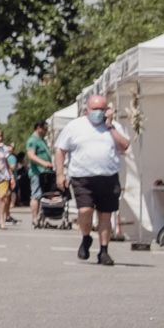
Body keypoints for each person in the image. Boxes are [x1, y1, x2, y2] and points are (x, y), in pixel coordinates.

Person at [55, 93, 132, 265]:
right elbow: (60, 149)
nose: (98, 112)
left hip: (108, 177)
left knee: (105, 215)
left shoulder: (113, 127)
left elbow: (125, 146)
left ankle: (104, 251)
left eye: (102, 109)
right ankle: (86, 237)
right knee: (85, 211)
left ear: (108, 110)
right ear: (86, 109)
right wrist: (60, 174)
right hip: (82, 177)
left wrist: (110, 126)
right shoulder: (74, 126)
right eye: (95, 109)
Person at [24, 120, 55, 227]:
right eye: (45, 129)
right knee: (36, 195)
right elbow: (31, 155)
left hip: (45, 173)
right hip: (37, 172)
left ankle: (43, 217)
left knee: (45, 196)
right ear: (39, 128)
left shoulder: (42, 140)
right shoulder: (33, 140)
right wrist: (43, 163)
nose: (46, 131)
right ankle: (34, 218)